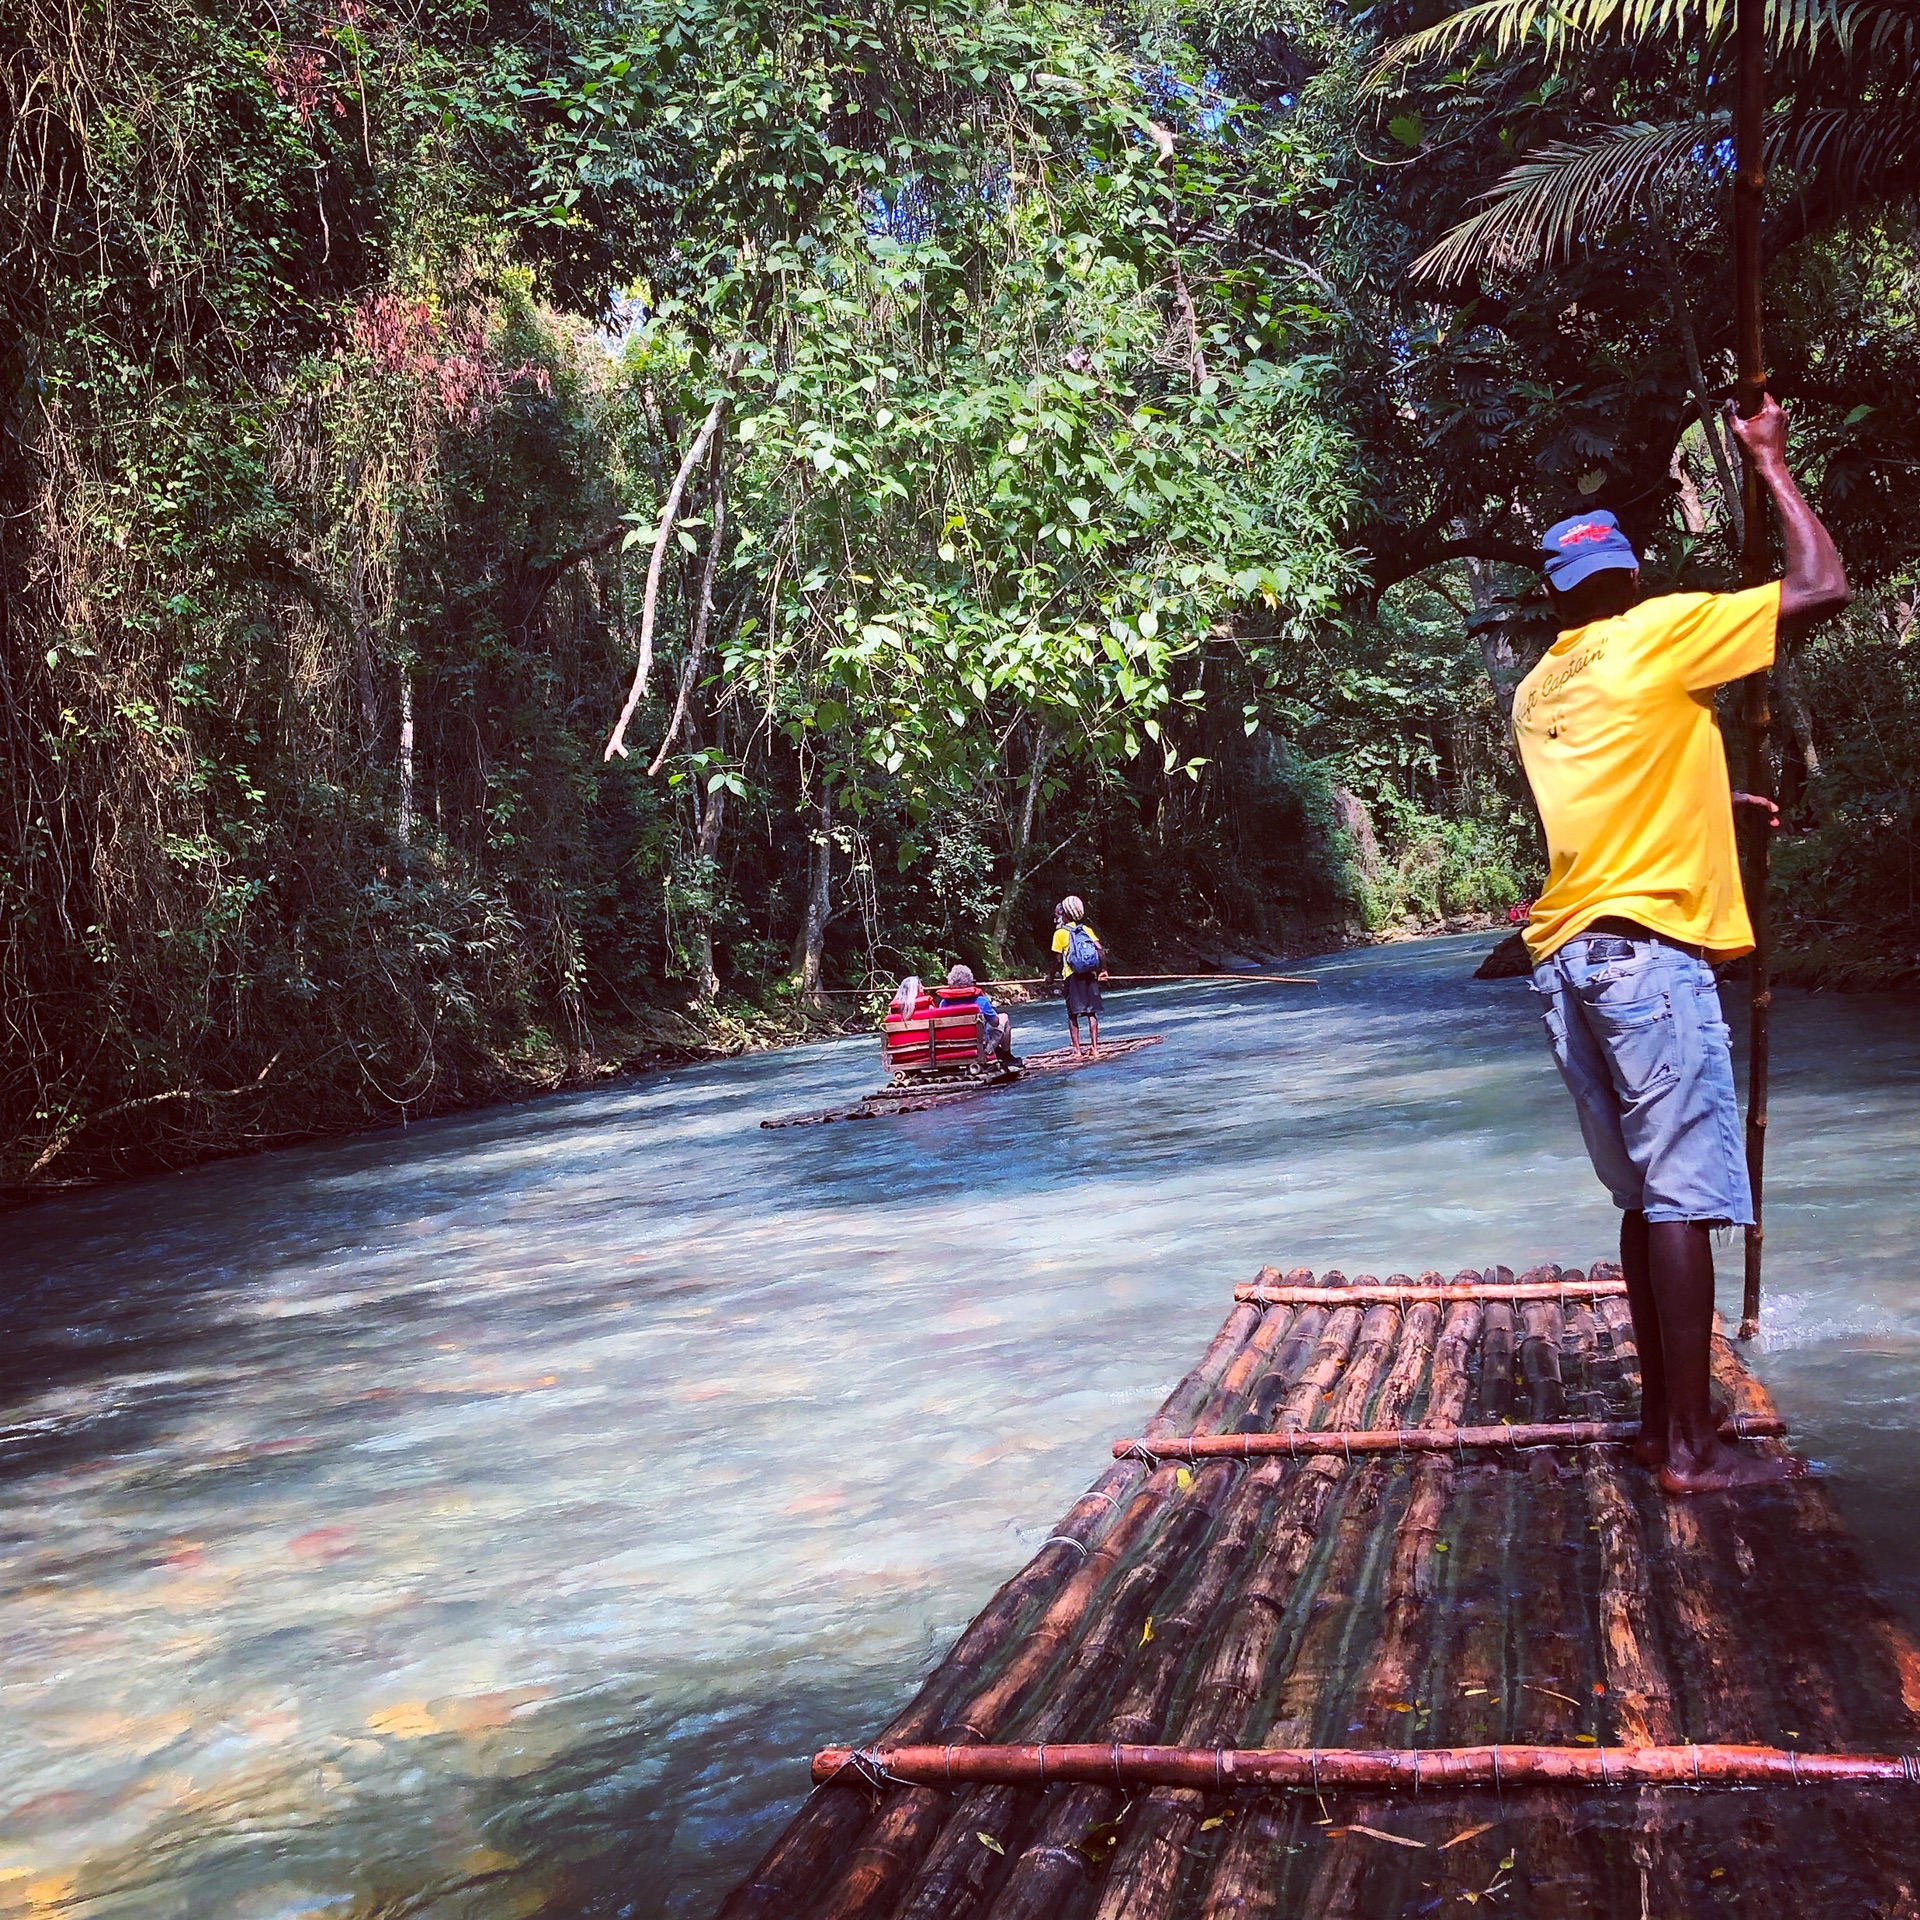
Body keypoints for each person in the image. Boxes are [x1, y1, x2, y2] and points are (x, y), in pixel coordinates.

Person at [1512, 393, 1848, 1496]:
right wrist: (1770, 462)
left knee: (1643, 1198)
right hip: (1648, 957)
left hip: (1569, 959)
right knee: (1685, 1198)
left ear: (1557, 595)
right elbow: (1821, 586)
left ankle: (1665, 1429)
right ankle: (1697, 1454)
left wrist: (1715, 801)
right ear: (1630, 577)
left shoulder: (1537, 690)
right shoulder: (1654, 635)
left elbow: (1617, 789)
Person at [1048, 896, 1108, 1057]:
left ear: (1065, 916)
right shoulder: (1086, 930)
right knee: (1091, 1013)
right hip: (1089, 975)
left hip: (1072, 976)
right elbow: (1100, 950)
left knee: (1072, 1014)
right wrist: (1103, 970)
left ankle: (1077, 1050)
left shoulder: (1060, 934)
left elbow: (1057, 960)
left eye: (1059, 915)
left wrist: (1050, 977)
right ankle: (1095, 1048)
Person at [938, 964, 1015, 1069]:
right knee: (1004, 1017)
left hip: (952, 1047)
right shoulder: (981, 1001)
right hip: (980, 1047)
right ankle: (1007, 1056)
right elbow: (995, 1023)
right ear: (970, 982)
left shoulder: (944, 1003)